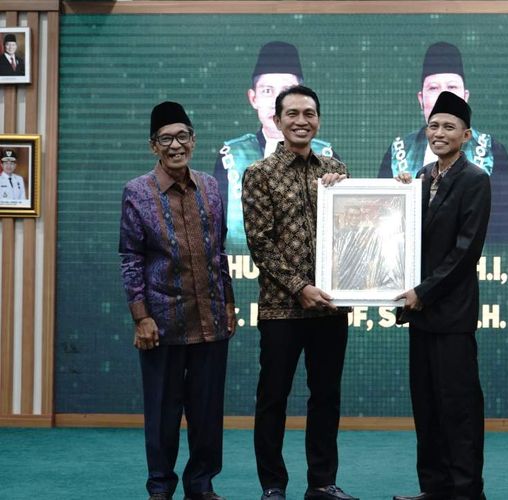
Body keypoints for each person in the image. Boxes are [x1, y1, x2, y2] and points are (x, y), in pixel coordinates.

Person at [241, 85, 358, 500]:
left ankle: (322, 482)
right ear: (277, 120)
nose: (301, 121)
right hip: (281, 310)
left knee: (326, 398)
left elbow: (355, 233)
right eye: (292, 113)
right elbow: (260, 242)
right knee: (273, 398)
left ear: (318, 121)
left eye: (309, 113)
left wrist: (350, 194)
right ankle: (273, 485)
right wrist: (299, 287)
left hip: (330, 308)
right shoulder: (259, 174)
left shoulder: (336, 171)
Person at [119, 101, 236, 500]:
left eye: (182, 136)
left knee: (207, 412)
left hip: (210, 319)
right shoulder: (137, 192)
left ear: (193, 140)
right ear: (153, 146)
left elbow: (218, 251)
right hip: (162, 322)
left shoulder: (211, 187)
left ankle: (201, 485)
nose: (175, 145)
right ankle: (160, 487)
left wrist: (228, 303)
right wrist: (141, 317)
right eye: (166, 139)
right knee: (163, 412)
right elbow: (131, 259)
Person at [393, 91, 491, 500]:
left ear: (466, 135)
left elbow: (465, 252)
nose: (439, 132)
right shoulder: (421, 178)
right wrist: (398, 198)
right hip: (421, 317)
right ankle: (434, 489)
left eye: (449, 126)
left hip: (451, 316)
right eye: (433, 125)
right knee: (428, 407)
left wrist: (423, 292)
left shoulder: (475, 180)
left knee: (459, 410)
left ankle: (466, 492)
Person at [379, 41, 508, 244]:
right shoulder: (399, 153)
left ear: (465, 96)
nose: (443, 96)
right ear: (421, 99)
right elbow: (382, 223)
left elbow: (506, 232)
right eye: (433, 88)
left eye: (452, 87)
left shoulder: (492, 151)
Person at [216, 41, 339, 247]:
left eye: (287, 91)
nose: (277, 102)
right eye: (267, 91)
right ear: (253, 98)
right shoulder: (231, 157)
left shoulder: (328, 157)